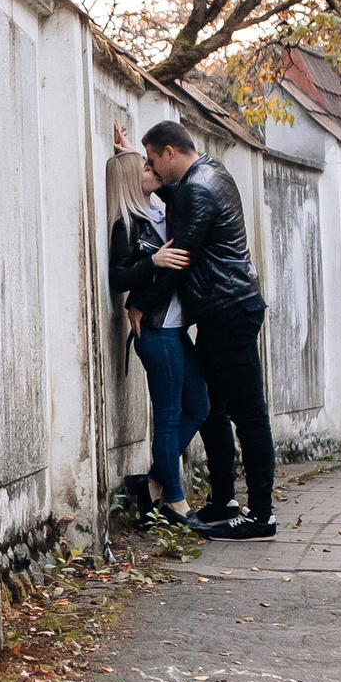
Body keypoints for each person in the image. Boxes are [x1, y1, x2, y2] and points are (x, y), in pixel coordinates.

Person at [142, 118, 276, 540]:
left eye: (151, 161)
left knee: (247, 413)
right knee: (213, 408)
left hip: (229, 310)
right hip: (226, 308)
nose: (151, 170)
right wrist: (133, 157)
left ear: (169, 152)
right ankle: (224, 499)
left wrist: (139, 303)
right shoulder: (211, 170)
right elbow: (178, 197)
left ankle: (261, 516)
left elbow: (179, 256)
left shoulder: (197, 189)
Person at [105, 148, 209, 531]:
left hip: (176, 328)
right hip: (155, 329)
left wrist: (130, 149)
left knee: (199, 406)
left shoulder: (161, 211)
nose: (153, 170)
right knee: (167, 418)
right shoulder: (127, 223)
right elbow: (118, 277)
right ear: (132, 179)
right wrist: (154, 263)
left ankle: (151, 483)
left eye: (151, 163)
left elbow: (169, 181)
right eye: (145, 167)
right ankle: (176, 503)